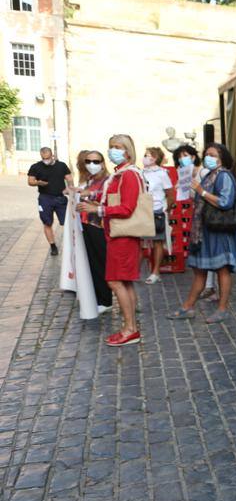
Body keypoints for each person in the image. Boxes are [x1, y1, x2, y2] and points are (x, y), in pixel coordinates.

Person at [76, 134, 143, 346]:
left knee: (115, 281)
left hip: (122, 236)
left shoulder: (129, 175)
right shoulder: (120, 174)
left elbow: (127, 208)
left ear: (128, 150)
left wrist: (98, 209)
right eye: (111, 146)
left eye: (118, 147)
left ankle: (129, 329)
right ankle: (130, 328)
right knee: (124, 282)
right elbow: (111, 197)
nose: (113, 150)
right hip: (118, 235)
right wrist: (90, 197)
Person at [167, 143, 236, 323]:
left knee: (222, 270)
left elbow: (225, 202)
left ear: (222, 158)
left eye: (213, 154)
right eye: (207, 154)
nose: (209, 157)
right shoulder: (209, 175)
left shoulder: (224, 176)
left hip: (219, 231)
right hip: (204, 232)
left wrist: (201, 191)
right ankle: (188, 307)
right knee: (199, 271)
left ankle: (222, 309)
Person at [75, 150, 113, 312]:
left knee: (101, 263)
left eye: (96, 161)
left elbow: (109, 202)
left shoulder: (108, 180)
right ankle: (98, 297)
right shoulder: (90, 179)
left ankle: (106, 300)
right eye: (89, 161)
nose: (92, 165)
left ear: (103, 163)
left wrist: (91, 201)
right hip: (87, 225)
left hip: (100, 226)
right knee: (92, 262)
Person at [27, 146, 73, 256]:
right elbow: (30, 181)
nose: (46, 160)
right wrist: (38, 183)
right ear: (41, 156)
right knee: (47, 223)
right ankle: (53, 246)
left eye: (48, 158)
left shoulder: (61, 165)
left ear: (52, 155)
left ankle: (70, 245)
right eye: (44, 158)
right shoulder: (35, 167)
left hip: (60, 198)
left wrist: (69, 188)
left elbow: (69, 178)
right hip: (45, 198)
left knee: (67, 223)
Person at [141, 147, 174, 284]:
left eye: (147, 155)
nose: (145, 157)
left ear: (155, 158)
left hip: (156, 210)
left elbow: (170, 193)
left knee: (157, 242)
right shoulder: (140, 172)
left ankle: (156, 272)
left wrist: (166, 209)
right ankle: (137, 271)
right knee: (140, 242)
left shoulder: (162, 173)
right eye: (145, 155)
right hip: (142, 210)